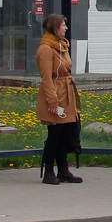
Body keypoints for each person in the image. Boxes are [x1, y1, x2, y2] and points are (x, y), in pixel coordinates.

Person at [36, 14, 82, 185]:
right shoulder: (46, 49)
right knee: (55, 134)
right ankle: (49, 170)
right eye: (63, 25)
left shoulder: (62, 46)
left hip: (67, 94)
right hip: (55, 95)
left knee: (66, 133)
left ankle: (63, 169)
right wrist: (52, 102)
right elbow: (47, 78)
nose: (66, 28)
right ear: (55, 28)